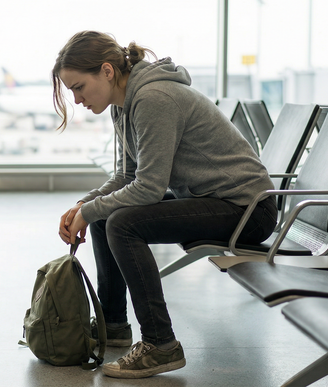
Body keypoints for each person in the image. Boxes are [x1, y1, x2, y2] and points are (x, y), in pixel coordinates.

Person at [53, 30, 278, 379]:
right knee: (104, 216)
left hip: (248, 209)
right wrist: (87, 204)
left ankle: (160, 344)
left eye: (79, 86)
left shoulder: (155, 98)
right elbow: (128, 175)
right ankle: (113, 325)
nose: (77, 98)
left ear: (108, 71)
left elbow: (149, 188)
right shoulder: (123, 106)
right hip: (210, 200)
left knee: (121, 223)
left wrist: (91, 210)